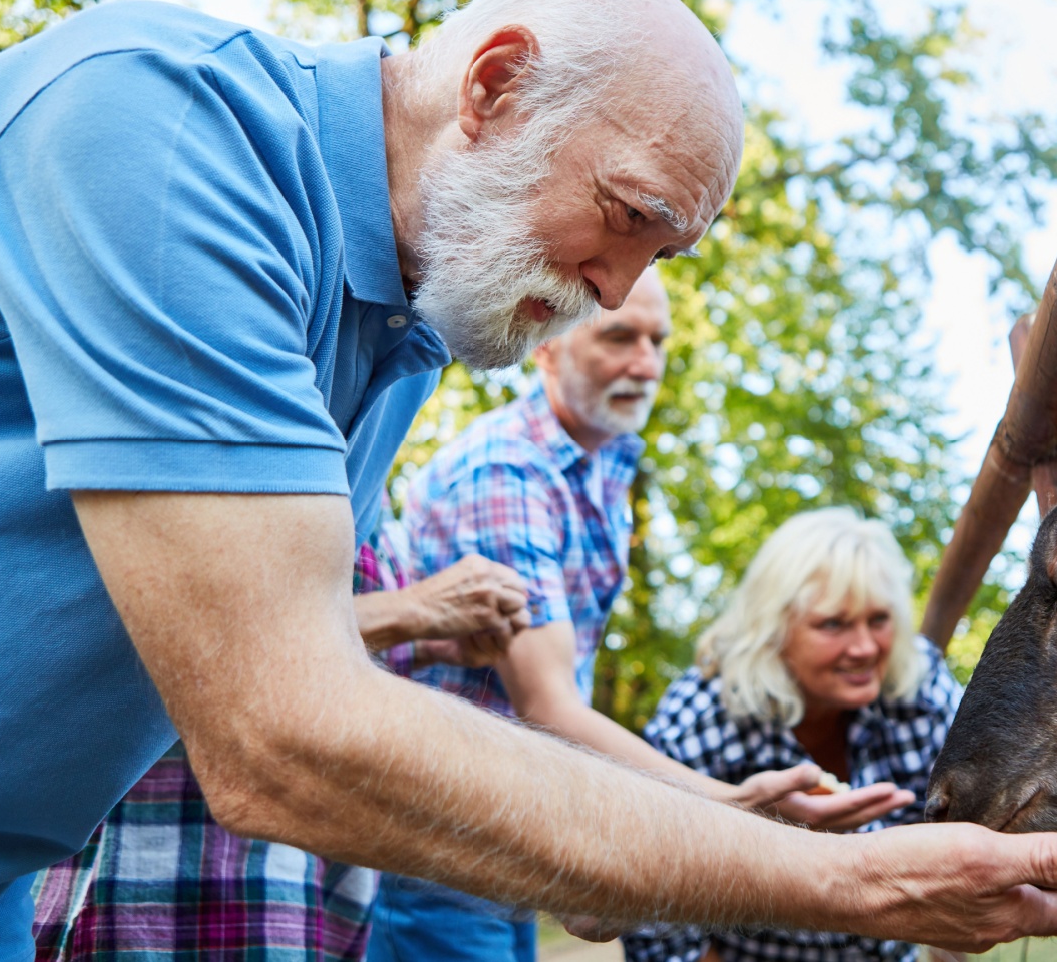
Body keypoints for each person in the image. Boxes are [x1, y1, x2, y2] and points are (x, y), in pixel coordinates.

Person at [0, 0, 1057, 961]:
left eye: (663, 256)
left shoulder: (403, 323)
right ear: (495, 84)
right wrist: (860, 886)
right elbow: (276, 728)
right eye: (625, 215)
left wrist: (713, 813)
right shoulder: (165, 123)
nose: (617, 289)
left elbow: (255, 632)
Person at [367, 274, 912, 962]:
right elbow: (549, 704)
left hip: (501, 819)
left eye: (657, 340)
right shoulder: (509, 471)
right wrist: (727, 805)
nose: (646, 363)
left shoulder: (599, 469)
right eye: (619, 336)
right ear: (545, 347)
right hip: (435, 826)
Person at [29, 527, 528, 962]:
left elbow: (320, 659)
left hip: (299, 895)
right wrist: (414, 609)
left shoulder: (361, 461)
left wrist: (430, 644)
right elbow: (169, 631)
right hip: (156, 893)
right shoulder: (218, 432)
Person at [621, 509, 963, 962]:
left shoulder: (918, 682)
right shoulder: (705, 712)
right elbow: (651, 896)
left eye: (878, 620)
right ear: (774, 629)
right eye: (833, 624)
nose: (864, 647)